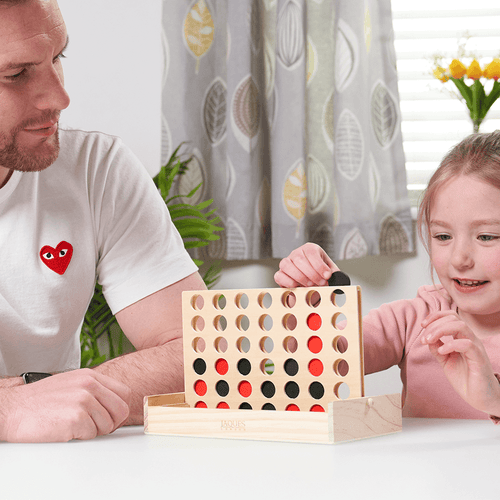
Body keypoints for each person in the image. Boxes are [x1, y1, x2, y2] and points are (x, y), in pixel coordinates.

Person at [0, 0, 206, 442]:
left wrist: (60, 398)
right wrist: (8, 410)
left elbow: (199, 350)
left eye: (58, 58)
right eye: (16, 75)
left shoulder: (97, 169)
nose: (60, 98)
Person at [275, 131, 500, 423]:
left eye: (486, 236)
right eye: (442, 235)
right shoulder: (412, 320)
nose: (459, 258)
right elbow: (311, 364)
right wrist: (306, 305)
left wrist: (494, 398)